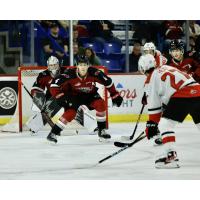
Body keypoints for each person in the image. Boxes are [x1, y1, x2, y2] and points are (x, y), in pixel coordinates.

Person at [138, 54, 200, 168]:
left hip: (183, 95)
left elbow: (154, 107)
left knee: (165, 125)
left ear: (142, 68)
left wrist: (151, 125)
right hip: (197, 90)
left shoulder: (151, 79)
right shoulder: (166, 67)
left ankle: (171, 157)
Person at [47, 55, 123, 143]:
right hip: (73, 96)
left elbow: (108, 82)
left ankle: (101, 131)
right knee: (71, 113)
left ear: (88, 65)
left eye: (84, 64)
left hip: (90, 94)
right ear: (77, 65)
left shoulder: (95, 72)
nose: (82, 67)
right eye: (80, 64)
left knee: (101, 104)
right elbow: (53, 85)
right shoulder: (69, 74)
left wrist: (114, 94)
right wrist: (60, 96)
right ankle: (53, 133)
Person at [27, 56, 66, 133]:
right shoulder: (43, 75)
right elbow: (36, 89)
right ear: (48, 66)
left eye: (55, 65)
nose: (53, 67)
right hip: (53, 98)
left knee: (77, 104)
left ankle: (92, 126)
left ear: (58, 64)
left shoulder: (66, 71)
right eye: (51, 65)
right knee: (47, 108)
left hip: (68, 96)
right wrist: (38, 100)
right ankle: (34, 126)